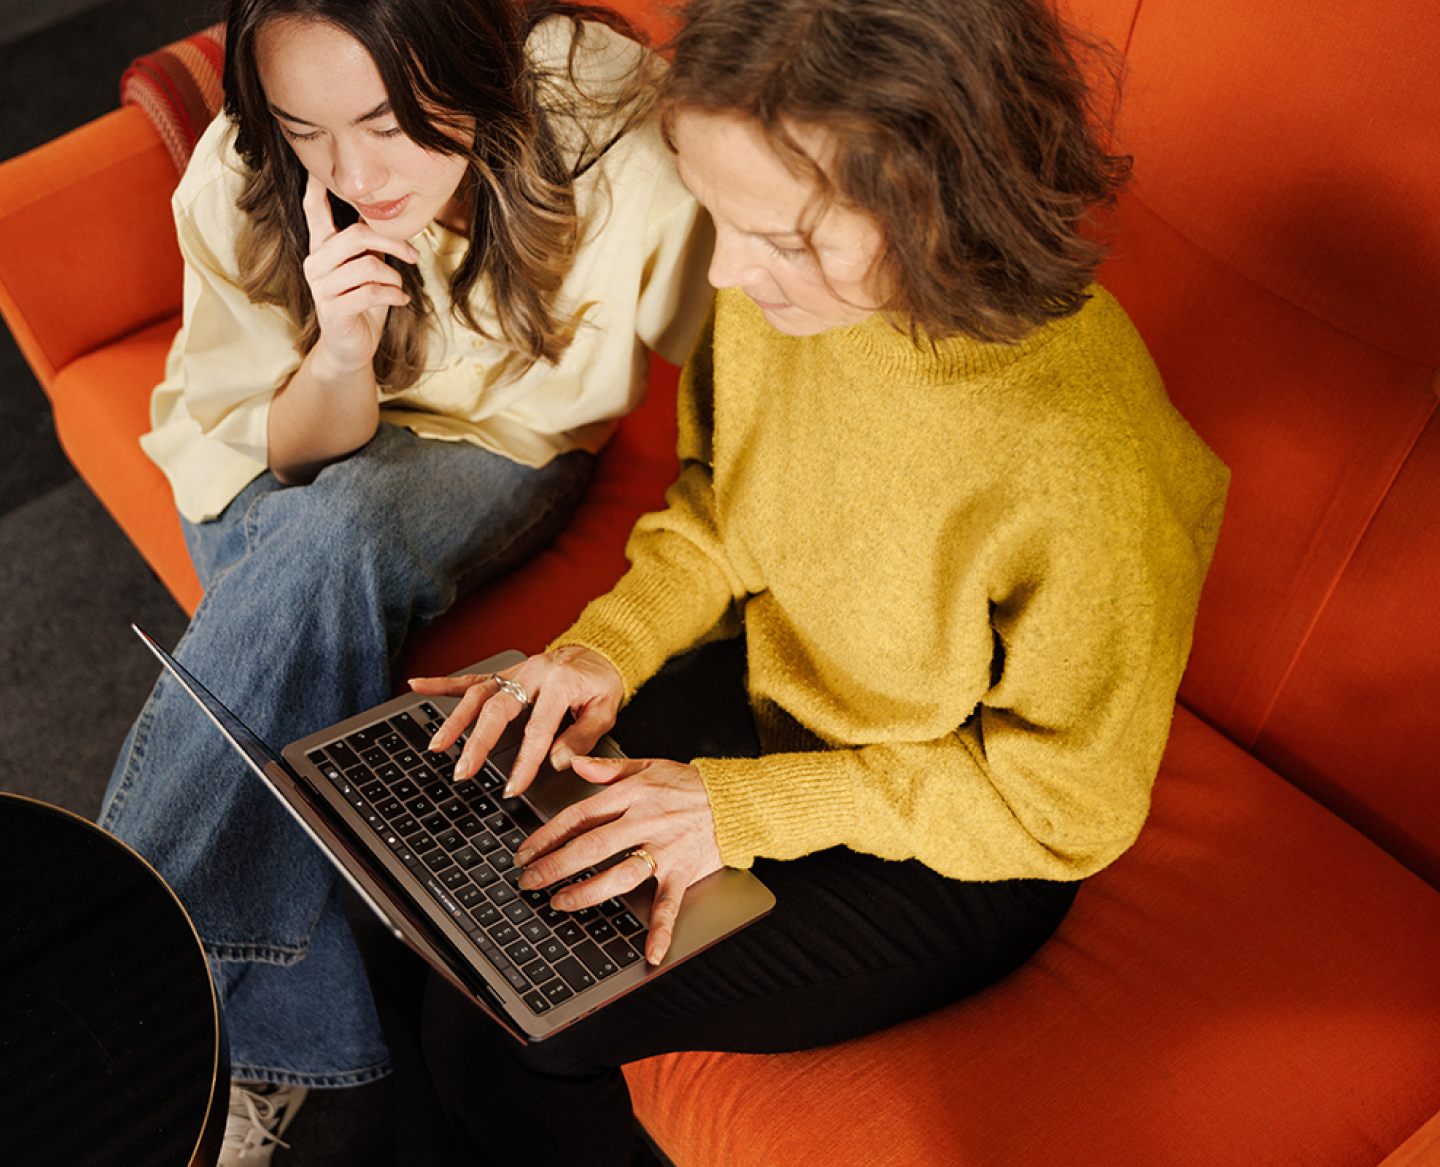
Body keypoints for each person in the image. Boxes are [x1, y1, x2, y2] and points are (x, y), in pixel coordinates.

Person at [381, 0, 1231, 1161]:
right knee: (430, 864)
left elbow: (1059, 810)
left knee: (518, 1030)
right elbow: (721, 513)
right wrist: (602, 650)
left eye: (782, 238)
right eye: (717, 214)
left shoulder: (1085, 464)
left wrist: (735, 812)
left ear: (936, 196)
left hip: (963, 841)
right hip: (781, 701)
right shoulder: (781, 297)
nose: (728, 270)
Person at [95, 0, 713, 1160]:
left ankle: (124, 975)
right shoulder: (245, 175)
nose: (352, 172)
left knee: (329, 555)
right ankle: (294, 1051)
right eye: (305, 129)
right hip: (285, 447)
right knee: (317, 562)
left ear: (473, 69)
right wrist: (337, 345)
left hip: (486, 447)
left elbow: (753, 348)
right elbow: (285, 456)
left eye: (387, 123)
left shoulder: (608, 141)